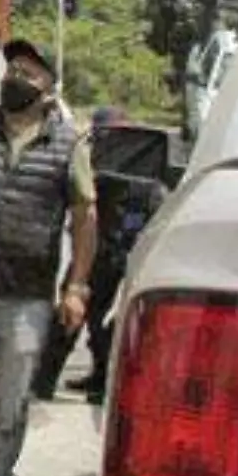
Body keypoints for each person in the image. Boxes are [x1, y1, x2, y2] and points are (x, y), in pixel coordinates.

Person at [0, 39, 98, 476]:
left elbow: (84, 218)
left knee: (11, 405)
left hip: (27, 300)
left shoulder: (68, 145)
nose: (15, 77)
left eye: (28, 73)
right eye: (12, 69)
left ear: (48, 89)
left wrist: (76, 287)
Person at [31, 107, 168, 404]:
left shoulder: (103, 166)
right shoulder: (147, 170)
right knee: (101, 319)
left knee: (72, 315)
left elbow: (83, 208)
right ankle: (101, 380)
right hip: (128, 253)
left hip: (99, 250)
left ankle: (45, 380)